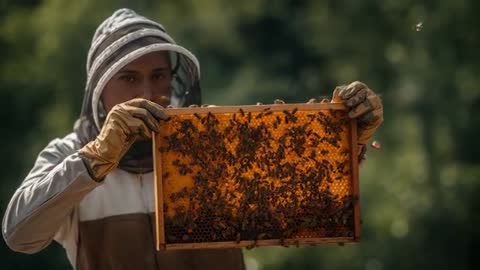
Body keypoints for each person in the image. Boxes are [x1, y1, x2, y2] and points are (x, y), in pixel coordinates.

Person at [2, 8, 383, 270]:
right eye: (130, 79)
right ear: (100, 90)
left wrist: (344, 139)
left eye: (159, 76)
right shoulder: (69, 153)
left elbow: (306, 204)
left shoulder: (212, 141)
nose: (149, 91)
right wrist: (97, 157)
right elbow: (20, 235)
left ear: (175, 78)